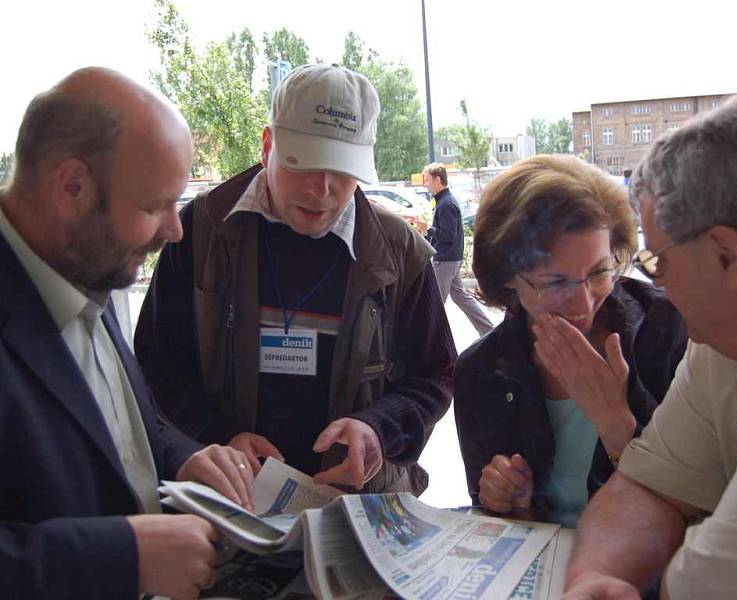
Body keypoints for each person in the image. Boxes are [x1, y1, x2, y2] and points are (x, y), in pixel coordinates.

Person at [134, 64, 456, 496]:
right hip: (232, 497)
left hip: (354, 501)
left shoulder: (400, 251)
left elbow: (436, 375)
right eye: (303, 163)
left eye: (341, 170)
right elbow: (157, 362)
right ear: (268, 145)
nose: (322, 188)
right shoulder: (200, 230)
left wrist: (378, 428)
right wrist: (217, 435)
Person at [0, 67, 256, 600]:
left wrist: (183, 456)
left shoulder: (88, 262)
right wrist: (121, 557)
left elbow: (105, 422)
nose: (175, 230)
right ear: (72, 188)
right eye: (153, 206)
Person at [564, 94, 737, 600]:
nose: (657, 283)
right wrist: (597, 576)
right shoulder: (727, 339)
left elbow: (709, 586)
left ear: (726, 255)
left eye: (657, 262)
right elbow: (649, 485)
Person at [454, 155, 687, 527]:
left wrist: (617, 425)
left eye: (599, 272)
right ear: (509, 277)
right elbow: (492, 523)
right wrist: (511, 503)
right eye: (556, 282)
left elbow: (699, 502)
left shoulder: (669, 329)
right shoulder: (479, 373)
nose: (584, 303)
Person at [423, 162, 494, 336]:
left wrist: (428, 229)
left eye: (427, 180)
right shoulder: (445, 201)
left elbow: (448, 235)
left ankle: (430, 341)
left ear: (438, 179)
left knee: (435, 303)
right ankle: (488, 330)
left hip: (445, 260)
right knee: (461, 297)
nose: (425, 184)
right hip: (451, 258)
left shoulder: (445, 204)